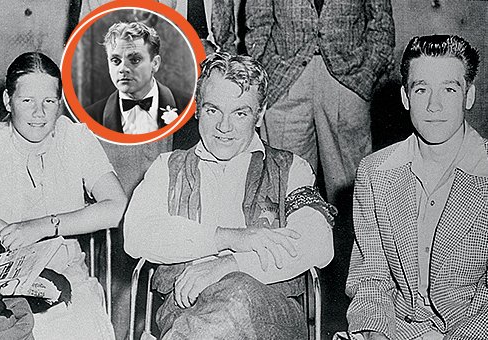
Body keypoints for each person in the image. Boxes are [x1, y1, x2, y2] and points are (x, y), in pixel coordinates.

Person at [124, 52, 336, 339]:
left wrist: (230, 265)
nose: (224, 127)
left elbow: (317, 242)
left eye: (240, 113)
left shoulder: (290, 169)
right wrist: (231, 238)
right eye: (213, 110)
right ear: (198, 109)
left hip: (269, 315)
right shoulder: (168, 168)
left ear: (259, 115)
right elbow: (137, 234)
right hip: (185, 310)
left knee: (238, 294)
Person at [0, 52, 126, 340]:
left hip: (67, 279)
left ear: (59, 103)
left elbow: (116, 207)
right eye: (27, 101)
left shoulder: (76, 140)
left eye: (49, 102)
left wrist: (41, 226)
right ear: (7, 101)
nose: (39, 113)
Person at [346, 35, 487, 340]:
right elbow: (372, 278)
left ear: (469, 96)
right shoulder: (374, 173)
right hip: (395, 329)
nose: (434, 105)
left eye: (449, 89)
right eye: (422, 89)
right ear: (406, 97)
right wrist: (376, 334)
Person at [220, 0, 395, 206]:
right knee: (284, 182)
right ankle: (292, 237)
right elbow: (257, 21)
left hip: (348, 80)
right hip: (285, 79)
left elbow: (381, 22)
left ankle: (352, 237)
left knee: (353, 187)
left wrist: (368, 71)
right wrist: (267, 69)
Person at [85, 21, 191, 134]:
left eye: (135, 60)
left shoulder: (189, 108)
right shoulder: (90, 118)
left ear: (155, 63)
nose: (123, 69)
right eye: (116, 61)